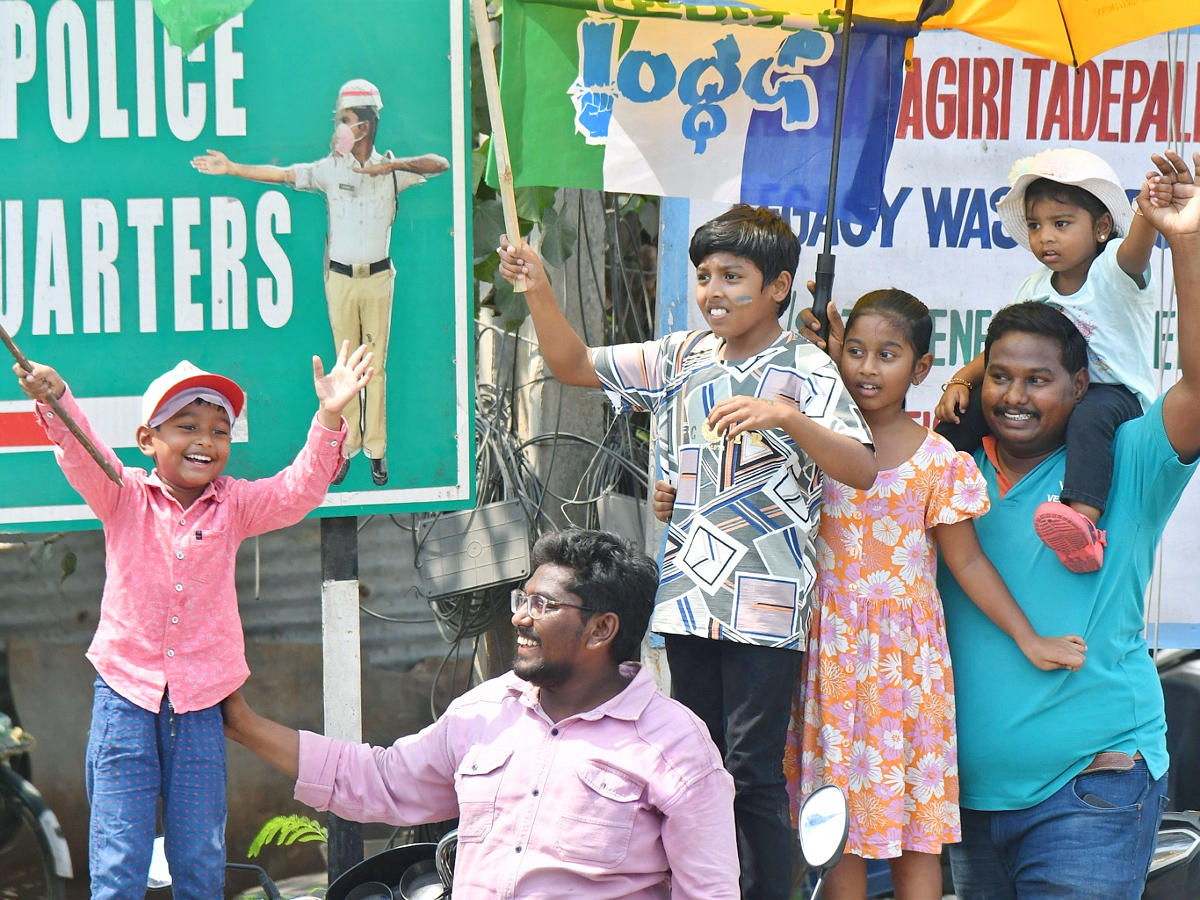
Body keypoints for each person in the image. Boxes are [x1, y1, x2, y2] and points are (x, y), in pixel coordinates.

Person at [498, 205, 877, 900]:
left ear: (779, 287)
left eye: (734, 275)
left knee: (751, 770)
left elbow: (860, 466)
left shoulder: (805, 366)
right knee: (692, 766)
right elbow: (572, 364)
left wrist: (786, 417)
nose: (714, 290)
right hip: (687, 604)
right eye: (704, 275)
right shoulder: (682, 354)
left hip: (767, 608)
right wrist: (540, 289)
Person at [661, 291, 1087, 900]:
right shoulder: (810, 445)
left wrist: (1029, 638)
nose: (866, 368)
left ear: (919, 369)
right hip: (825, 657)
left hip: (906, 667)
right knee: (833, 829)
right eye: (855, 351)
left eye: (887, 355)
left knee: (915, 832)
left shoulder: (939, 459)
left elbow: (966, 561)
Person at [926, 150, 1197, 900]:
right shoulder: (946, 473)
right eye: (1000, 377)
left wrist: (1190, 239)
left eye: (1038, 380)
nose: (1014, 396)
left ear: (1077, 384)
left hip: (1092, 790)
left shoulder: (1130, 457)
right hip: (968, 802)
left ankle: (1078, 515)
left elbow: (1198, 384)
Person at [12, 341, 374, 900]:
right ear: (147, 440)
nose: (205, 440)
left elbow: (298, 490)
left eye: (219, 430)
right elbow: (83, 452)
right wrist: (56, 399)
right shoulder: (124, 494)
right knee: (118, 861)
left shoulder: (235, 505)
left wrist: (329, 417)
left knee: (201, 861)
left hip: (200, 705)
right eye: (187, 425)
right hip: (123, 696)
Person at [222, 527, 740, 900]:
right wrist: (244, 725)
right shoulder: (484, 712)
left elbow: (710, 892)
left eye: (542, 604)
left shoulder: (675, 747)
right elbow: (376, 779)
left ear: (601, 630)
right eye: (523, 597)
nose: (518, 616)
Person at [191, 78, 449, 487]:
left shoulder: (391, 171)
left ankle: (376, 450)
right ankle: (346, 448)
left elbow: (440, 164)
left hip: (379, 277)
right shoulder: (329, 170)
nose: (338, 130)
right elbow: (282, 174)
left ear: (364, 125)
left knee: (375, 369)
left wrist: (392, 166)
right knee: (344, 369)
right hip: (341, 279)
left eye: (345, 121)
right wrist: (234, 168)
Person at [935, 148, 1163, 573]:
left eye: (1061, 224)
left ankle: (1081, 522)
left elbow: (1135, 249)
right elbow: (1004, 351)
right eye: (1037, 226)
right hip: (1046, 391)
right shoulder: (1034, 284)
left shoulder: (1112, 269)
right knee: (962, 418)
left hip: (1111, 393)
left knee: (1089, 420)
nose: (1045, 238)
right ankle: (928, 496)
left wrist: (1148, 215)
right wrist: (961, 383)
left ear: (1100, 227)